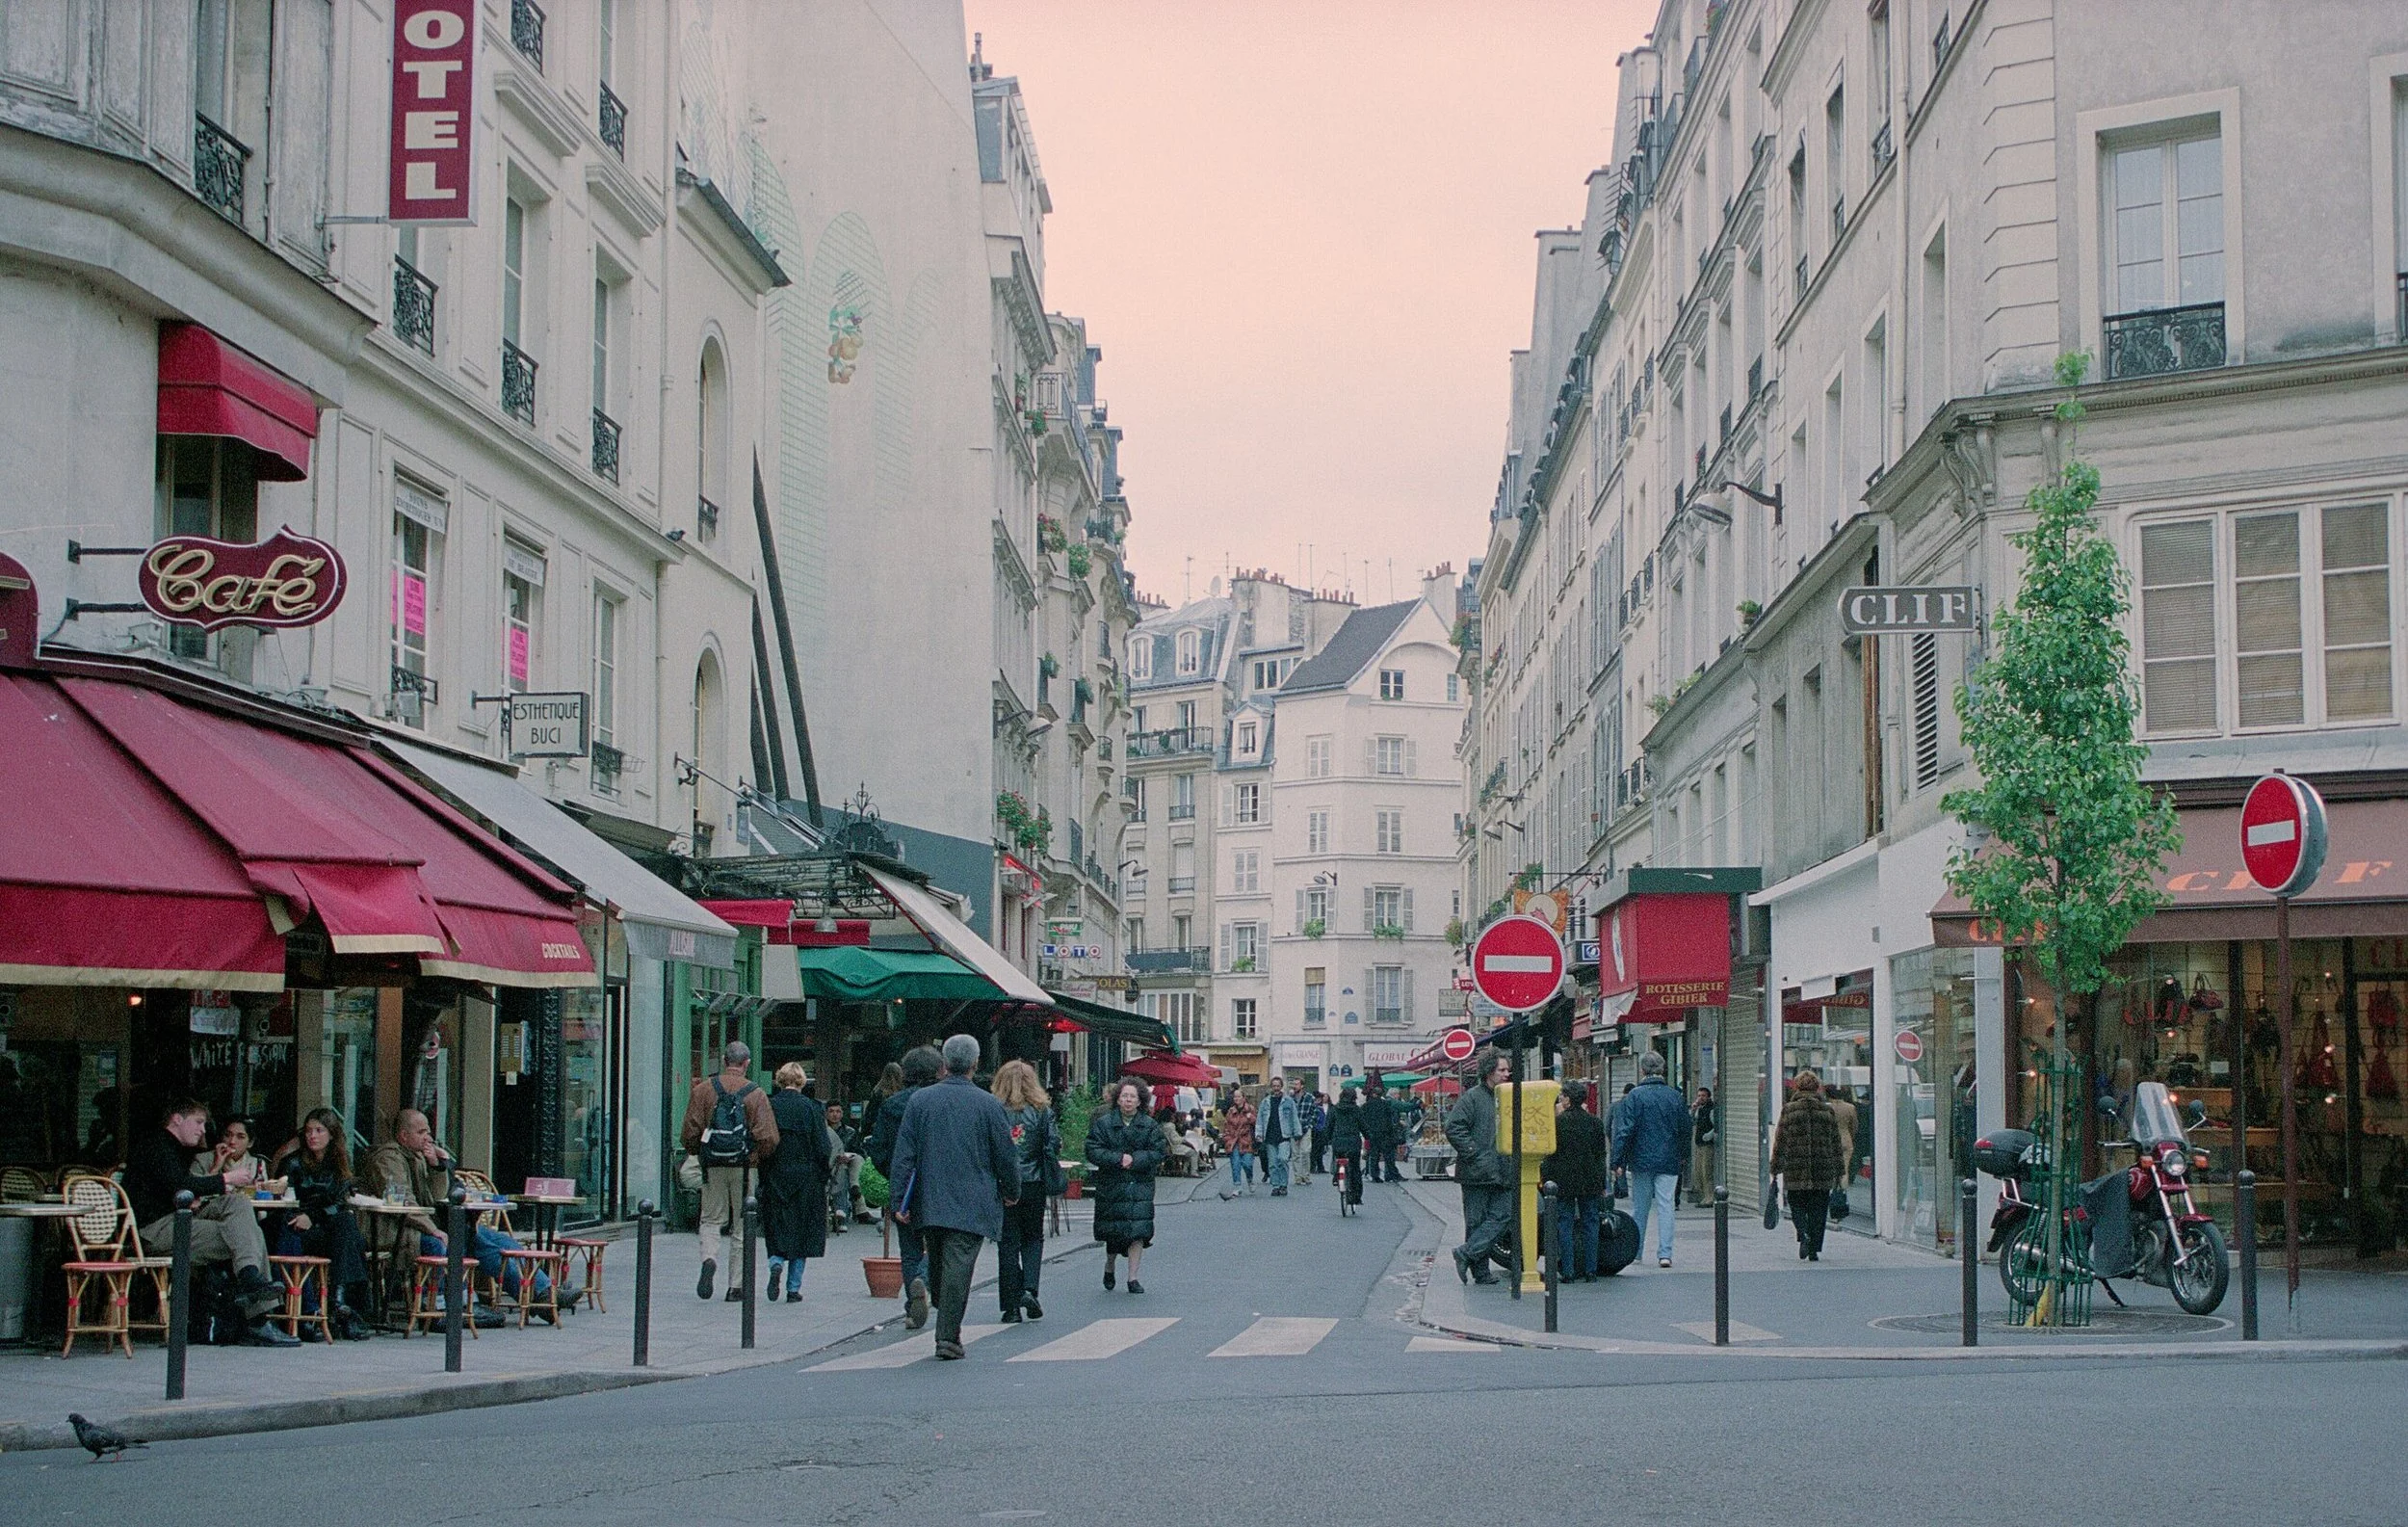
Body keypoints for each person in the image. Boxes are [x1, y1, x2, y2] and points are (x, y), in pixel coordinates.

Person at [364, 1110, 574, 1321]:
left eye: (428, 1131)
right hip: (396, 1231)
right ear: (403, 1136)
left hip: (418, 1225)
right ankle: (455, 1308)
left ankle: (542, 1294)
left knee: (495, 1239)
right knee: (454, 1239)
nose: (428, 1137)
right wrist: (434, 1229)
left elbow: (436, 1198)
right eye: (421, 1132)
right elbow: (404, 1202)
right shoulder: (388, 1158)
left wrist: (438, 1167)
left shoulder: (418, 1158)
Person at [890, 1035, 1021, 1359]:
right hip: (973, 1202)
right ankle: (947, 1335)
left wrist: (898, 1201)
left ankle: (942, 1314)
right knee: (957, 1268)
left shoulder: (920, 1101)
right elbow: (1006, 1155)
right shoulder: (988, 1104)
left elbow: (904, 1154)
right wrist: (1011, 1191)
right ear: (975, 1065)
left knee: (939, 1260)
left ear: (944, 1064)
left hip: (930, 1200)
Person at [126, 1098, 297, 1346]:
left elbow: (177, 1189)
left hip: (180, 1217)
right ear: (177, 1119)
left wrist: (214, 1181)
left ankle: (250, 1279)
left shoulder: (175, 1148)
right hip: (155, 1230)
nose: (203, 1130)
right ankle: (258, 1319)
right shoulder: (157, 1145)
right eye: (198, 1122)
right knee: (250, 1236)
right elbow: (180, 1185)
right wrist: (226, 1177)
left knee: (238, 1205)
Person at [679, 1040, 779, 1303]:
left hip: (712, 1165)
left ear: (724, 1061)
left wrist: (699, 1152)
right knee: (742, 1224)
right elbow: (768, 1137)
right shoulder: (755, 1093)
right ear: (746, 1063)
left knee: (711, 1219)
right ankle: (736, 1286)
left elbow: (689, 1132)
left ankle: (709, 1258)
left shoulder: (702, 1090)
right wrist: (755, 1157)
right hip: (745, 1166)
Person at [272, 1107, 374, 1340]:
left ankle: (338, 1303)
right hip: (300, 1230)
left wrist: (315, 1217)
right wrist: (307, 1218)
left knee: (346, 1226)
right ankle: (343, 1307)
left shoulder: (338, 1163)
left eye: (319, 1130)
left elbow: (340, 1201)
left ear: (331, 1135)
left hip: (326, 1229)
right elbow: (286, 1199)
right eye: (308, 1131)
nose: (313, 1136)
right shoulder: (293, 1163)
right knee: (352, 1239)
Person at [869, 1045, 942, 1327]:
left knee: (909, 1245)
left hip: (905, 1183)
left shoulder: (893, 1104)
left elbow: (879, 1148)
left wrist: (894, 1177)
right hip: (938, 1184)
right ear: (939, 1071)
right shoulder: (940, 1102)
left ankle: (914, 1301)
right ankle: (923, 1278)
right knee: (938, 1242)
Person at [989, 1060, 1057, 1322]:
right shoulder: (1042, 1110)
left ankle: (1010, 1306)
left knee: (1007, 1242)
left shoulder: (995, 1109)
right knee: (1032, 1237)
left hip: (1003, 1183)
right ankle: (1030, 1288)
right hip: (1034, 1181)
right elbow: (1053, 1143)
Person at [759, 1063, 832, 1303]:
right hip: (806, 1176)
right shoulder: (812, 1108)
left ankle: (776, 1262)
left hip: (776, 1174)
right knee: (803, 1233)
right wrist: (824, 1174)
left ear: (779, 1080)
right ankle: (793, 1288)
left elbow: (764, 1143)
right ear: (802, 1081)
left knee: (777, 1224)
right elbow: (823, 1147)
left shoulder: (771, 1105)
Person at [1611, 1051, 1691, 1269]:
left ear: (1642, 1070)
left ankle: (1636, 1251)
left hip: (1641, 1159)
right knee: (1666, 1205)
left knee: (1640, 1207)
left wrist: (1617, 1161)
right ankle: (1665, 1253)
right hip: (1669, 1159)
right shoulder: (1675, 1096)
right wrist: (1684, 1156)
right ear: (1663, 1069)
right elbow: (1686, 1129)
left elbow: (1625, 1131)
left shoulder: (1635, 1096)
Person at [1086, 1078, 1163, 1293]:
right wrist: (1118, 1159)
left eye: (1133, 1097)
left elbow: (1158, 1152)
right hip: (1112, 1184)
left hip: (1139, 1185)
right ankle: (1109, 1265)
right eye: (1124, 1096)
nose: (1128, 1101)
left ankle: (1133, 1277)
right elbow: (1092, 1149)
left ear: (1140, 1101)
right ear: (1118, 1099)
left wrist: (1136, 1160)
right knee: (1113, 1231)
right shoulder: (1104, 1123)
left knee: (1138, 1230)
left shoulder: (1149, 1125)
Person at [1445, 1055, 1515, 1286]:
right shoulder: (1472, 1098)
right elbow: (1454, 1127)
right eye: (1502, 1070)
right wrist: (1475, 1153)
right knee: (1476, 1221)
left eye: (1507, 1070)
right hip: (1477, 1171)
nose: (1507, 1074)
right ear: (1489, 1072)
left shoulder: (1508, 1097)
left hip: (1502, 1168)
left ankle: (1466, 1253)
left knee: (1504, 1214)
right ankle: (1481, 1272)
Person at [1771, 1070, 1845, 1261]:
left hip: (1796, 1167)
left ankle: (1802, 1232)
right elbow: (1835, 1142)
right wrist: (1839, 1170)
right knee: (1819, 1210)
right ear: (1817, 1087)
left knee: (1796, 1204)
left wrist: (1775, 1166)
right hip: (1822, 1167)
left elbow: (1781, 1139)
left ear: (1797, 1087)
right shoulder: (1826, 1110)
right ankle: (1813, 1249)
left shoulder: (1789, 1109)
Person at [1543, 1082, 1609, 1281]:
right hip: (1590, 1181)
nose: (1561, 1099)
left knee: (1565, 1224)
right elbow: (1600, 1155)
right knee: (1591, 1223)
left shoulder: (1558, 1123)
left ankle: (1569, 1271)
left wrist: (1547, 1180)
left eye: (1562, 1096)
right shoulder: (1595, 1123)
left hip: (1563, 1182)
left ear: (1569, 1099)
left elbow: (1550, 1155)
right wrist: (1602, 1183)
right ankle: (1591, 1270)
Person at [824, 1102, 865, 1233]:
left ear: (842, 1114)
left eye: (838, 1111)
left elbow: (859, 1150)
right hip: (829, 1164)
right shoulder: (821, 1131)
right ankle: (843, 1212)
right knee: (841, 1169)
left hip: (847, 1163)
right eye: (831, 1111)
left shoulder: (850, 1132)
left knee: (857, 1159)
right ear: (826, 1113)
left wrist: (849, 1157)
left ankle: (855, 1186)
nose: (835, 1114)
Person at [1254, 1080, 1300, 1195]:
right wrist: (1259, 1134)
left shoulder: (1288, 1101)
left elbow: (1294, 1117)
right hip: (1270, 1137)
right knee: (1273, 1164)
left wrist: (1297, 1133)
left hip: (1284, 1135)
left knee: (1283, 1159)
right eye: (1274, 1086)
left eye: (1278, 1086)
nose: (1276, 1088)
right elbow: (1260, 1119)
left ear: (1281, 1087)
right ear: (1271, 1087)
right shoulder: (1265, 1102)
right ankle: (1276, 1185)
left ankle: (1283, 1185)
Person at [191, 1116, 264, 1182]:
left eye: (240, 1137)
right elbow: (193, 1191)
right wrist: (216, 1167)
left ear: (250, 1143)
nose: (232, 1141)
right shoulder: (201, 1159)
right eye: (227, 1135)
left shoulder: (257, 1163)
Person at [1825, 1083, 1860, 1222]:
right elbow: (1855, 1125)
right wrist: (1849, 1135)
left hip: (1830, 1141)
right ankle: (1842, 1194)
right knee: (1844, 1169)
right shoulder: (1850, 1107)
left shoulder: (1827, 1108)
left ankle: (1832, 1195)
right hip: (1846, 1140)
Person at [1328, 1086, 1368, 1206]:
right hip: (1353, 1142)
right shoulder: (1357, 1110)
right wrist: (1368, 1137)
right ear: (1354, 1098)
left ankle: (1336, 1176)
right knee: (1355, 1168)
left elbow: (1328, 1126)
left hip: (1338, 1141)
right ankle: (1356, 1197)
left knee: (1338, 1158)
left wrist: (1328, 1139)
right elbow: (1363, 1127)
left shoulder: (1334, 1109)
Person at [1360, 1078, 1398, 1184]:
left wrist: (1366, 1132)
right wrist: (1391, 1132)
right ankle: (1390, 1174)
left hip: (1372, 1133)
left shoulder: (1366, 1105)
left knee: (1374, 1155)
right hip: (1385, 1133)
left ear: (1373, 1094)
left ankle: (1375, 1175)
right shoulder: (1385, 1104)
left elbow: (1362, 1119)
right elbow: (1390, 1119)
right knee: (1387, 1155)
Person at [1221, 1092, 1257, 1191]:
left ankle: (1250, 1179)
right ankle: (1237, 1185)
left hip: (1247, 1141)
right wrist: (1227, 1138)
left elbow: (1257, 1123)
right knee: (1235, 1164)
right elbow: (1226, 1126)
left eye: (1238, 1097)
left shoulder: (1250, 1109)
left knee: (1247, 1164)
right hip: (1234, 1141)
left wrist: (1251, 1117)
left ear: (1243, 1097)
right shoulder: (1231, 1111)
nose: (1236, 1099)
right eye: (1235, 1097)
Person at [1690, 1086, 1719, 1207]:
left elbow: (1716, 1126)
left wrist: (1709, 1135)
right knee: (1698, 1172)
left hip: (1708, 1145)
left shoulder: (1711, 1109)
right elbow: (1692, 1122)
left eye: (1703, 1096)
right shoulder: (1699, 1109)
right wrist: (1693, 1109)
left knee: (1706, 1171)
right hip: (1698, 1144)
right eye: (1699, 1096)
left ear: (1708, 1097)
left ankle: (1709, 1198)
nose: (1700, 1098)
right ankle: (1704, 1196)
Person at [1308, 1090, 1332, 1179]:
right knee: (1315, 1150)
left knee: (1320, 1150)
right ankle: (1313, 1167)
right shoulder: (1316, 1108)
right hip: (1317, 1131)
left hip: (1320, 1130)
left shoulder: (1318, 1107)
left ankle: (1320, 1166)